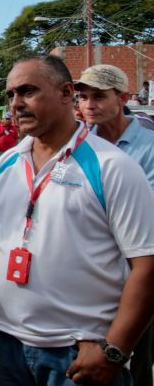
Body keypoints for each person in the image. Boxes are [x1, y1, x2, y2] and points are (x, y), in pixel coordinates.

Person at [0, 56, 154, 386]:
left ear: (66, 93)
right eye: (11, 94)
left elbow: (146, 264)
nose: (16, 103)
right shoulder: (7, 163)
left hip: (79, 353)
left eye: (27, 91)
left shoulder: (112, 166)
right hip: (6, 347)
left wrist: (115, 350)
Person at [75, 64, 154, 386]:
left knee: (134, 358)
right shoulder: (78, 145)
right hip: (89, 275)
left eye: (99, 96)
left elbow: (141, 214)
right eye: (83, 97)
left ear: (122, 97)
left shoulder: (149, 146)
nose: (89, 105)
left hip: (136, 273)